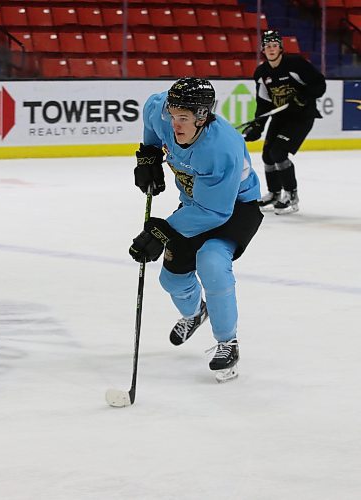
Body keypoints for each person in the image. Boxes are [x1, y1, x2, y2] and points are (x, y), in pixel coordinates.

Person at [128, 77, 263, 382]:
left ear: (202, 117)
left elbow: (215, 211)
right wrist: (148, 154)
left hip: (236, 208)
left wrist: (160, 232)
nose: (175, 124)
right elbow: (152, 109)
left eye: (184, 118)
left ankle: (228, 342)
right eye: (173, 115)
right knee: (171, 279)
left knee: (212, 262)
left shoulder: (221, 148)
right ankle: (195, 313)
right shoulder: (161, 112)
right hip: (195, 205)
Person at [243, 30, 326, 214]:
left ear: (280, 48)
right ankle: (274, 193)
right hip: (281, 116)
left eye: (274, 45)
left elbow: (319, 83)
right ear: (263, 50)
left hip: (302, 116)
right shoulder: (262, 73)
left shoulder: (295, 64)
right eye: (267, 46)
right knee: (267, 155)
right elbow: (263, 102)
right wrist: (258, 125)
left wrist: (303, 98)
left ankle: (291, 196)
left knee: (278, 152)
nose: (271, 49)